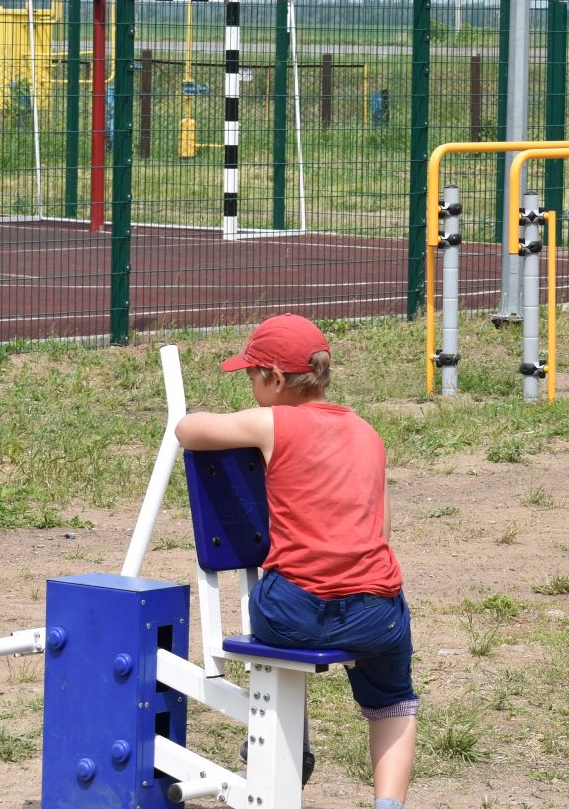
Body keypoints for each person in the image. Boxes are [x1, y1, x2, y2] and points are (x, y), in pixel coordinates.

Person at [174, 314, 417, 809]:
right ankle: (388, 804)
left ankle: (294, 738)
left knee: (277, 617)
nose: (249, 385)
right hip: (375, 612)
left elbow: (188, 429)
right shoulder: (368, 434)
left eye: (251, 376)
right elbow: (382, 531)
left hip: (293, 609)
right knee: (393, 701)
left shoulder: (272, 421)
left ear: (277, 380)